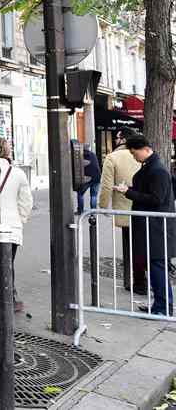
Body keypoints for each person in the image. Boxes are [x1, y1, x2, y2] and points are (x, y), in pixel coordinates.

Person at [115, 135, 175, 316]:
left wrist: (129, 193)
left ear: (143, 149)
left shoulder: (157, 170)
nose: (134, 157)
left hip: (156, 228)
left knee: (158, 268)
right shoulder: (152, 166)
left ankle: (163, 307)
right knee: (156, 267)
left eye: (134, 154)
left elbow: (156, 199)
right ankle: (161, 305)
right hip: (152, 226)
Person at [99, 128, 145, 293]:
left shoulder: (112, 157)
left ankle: (134, 281)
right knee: (143, 246)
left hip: (125, 209)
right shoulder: (144, 154)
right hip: (145, 208)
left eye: (117, 137)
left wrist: (102, 206)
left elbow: (106, 185)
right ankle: (143, 280)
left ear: (123, 139)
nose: (115, 140)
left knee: (130, 247)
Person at [0, 139, 34, 312]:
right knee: (8, 262)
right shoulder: (18, 173)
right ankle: (9, 298)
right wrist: (21, 220)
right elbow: (26, 202)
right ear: (7, 151)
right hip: (11, 225)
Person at [75, 140, 102, 216]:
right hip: (97, 178)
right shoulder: (93, 155)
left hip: (87, 178)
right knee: (93, 195)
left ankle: (80, 210)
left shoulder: (80, 155)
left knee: (80, 193)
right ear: (89, 148)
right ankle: (93, 212)